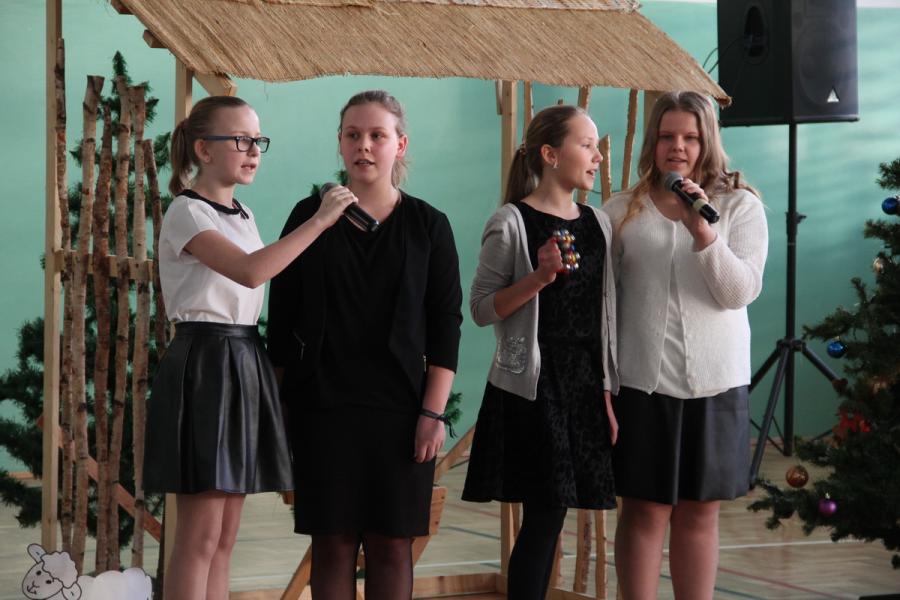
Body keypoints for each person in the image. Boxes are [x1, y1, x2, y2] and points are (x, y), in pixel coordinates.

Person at [143, 95, 355, 600]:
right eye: (241, 140)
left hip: (243, 357)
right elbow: (251, 271)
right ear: (204, 149)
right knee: (198, 538)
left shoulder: (242, 212)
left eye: (258, 140)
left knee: (224, 539)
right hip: (205, 362)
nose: (254, 150)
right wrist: (320, 220)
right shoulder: (187, 212)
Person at [267, 90, 463, 600]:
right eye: (353, 135)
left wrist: (433, 413)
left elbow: (446, 326)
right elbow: (281, 319)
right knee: (331, 544)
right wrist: (279, 411)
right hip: (321, 408)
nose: (365, 146)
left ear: (400, 144)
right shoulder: (309, 215)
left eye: (377, 135)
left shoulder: (428, 225)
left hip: (401, 411)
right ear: (340, 142)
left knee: (392, 545)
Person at [602, 90, 768, 600]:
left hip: (717, 386)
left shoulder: (738, 206)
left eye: (690, 137)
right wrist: (603, 383)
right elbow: (604, 307)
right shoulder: (619, 211)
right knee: (644, 510)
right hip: (641, 385)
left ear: (707, 142)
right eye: (667, 136)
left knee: (699, 511)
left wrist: (705, 235)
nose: (678, 147)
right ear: (652, 142)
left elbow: (739, 292)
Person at [462, 104, 619, 600]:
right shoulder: (511, 222)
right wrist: (539, 277)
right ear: (550, 155)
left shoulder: (598, 224)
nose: (597, 156)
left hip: (583, 383)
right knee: (545, 513)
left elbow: (602, 317)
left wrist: (606, 392)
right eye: (587, 145)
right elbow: (482, 308)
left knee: (555, 513)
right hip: (532, 385)